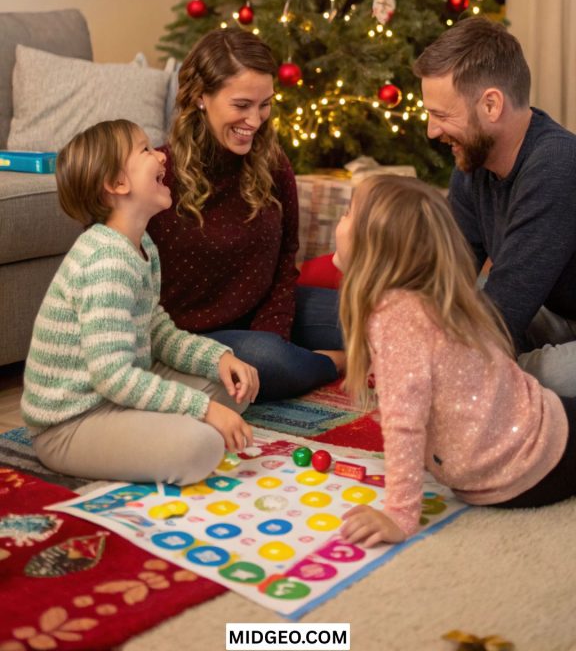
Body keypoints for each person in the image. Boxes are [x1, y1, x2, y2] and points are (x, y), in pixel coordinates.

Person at [334, 174, 576, 547]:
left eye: (347, 213)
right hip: (532, 439)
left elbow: (404, 421)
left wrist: (399, 513)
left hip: (536, 457)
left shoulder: (396, 315)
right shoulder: (432, 300)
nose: (339, 221)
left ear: (374, 247)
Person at [21, 119, 259, 485]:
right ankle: (168, 432)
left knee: (233, 387)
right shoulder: (107, 261)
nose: (161, 158)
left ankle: (163, 423)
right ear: (118, 184)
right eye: (146, 150)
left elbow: (157, 332)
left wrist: (219, 358)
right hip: (71, 423)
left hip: (117, 391)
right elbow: (113, 377)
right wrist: (203, 410)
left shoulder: (141, 245)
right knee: (201, 447)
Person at [147, 27, 344, 401]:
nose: (256, 120)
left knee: (384, 319)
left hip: (264, 315)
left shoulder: (273, 164)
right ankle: (336, 363)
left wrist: (273, 331)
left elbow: (286, 260)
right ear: (201, 97)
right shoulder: (158, 173)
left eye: (265, 104)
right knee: (265, 362)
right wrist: (272, 350)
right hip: (187, 338)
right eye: (241, 105)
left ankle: (295, 357)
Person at [412, 16, 576, 397]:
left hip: (541, 308)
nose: (431, 131)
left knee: (525, 373)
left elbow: (504, 309)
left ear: (491, 104)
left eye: (441, 115)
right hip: (554, 309)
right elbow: (447, 275)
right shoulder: (473, 164)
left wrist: (444, 365)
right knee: (471, 323)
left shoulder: (556, 165)